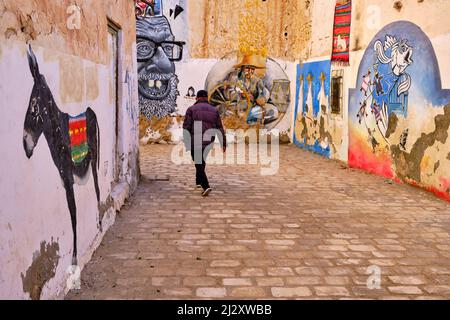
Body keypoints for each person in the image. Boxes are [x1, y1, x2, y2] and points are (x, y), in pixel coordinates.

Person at [183, 90, 226, 197]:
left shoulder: (191, 109)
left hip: (195, 139)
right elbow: (219, 127)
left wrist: (187, 142)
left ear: (196, 98)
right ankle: (198, 181)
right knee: (201, 161)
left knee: (198, 162)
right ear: (207, 98)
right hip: (208, 140)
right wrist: (223, 142)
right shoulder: (214, 110)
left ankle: (205, 186)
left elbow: (186, 127)